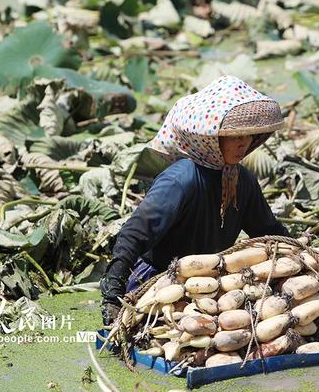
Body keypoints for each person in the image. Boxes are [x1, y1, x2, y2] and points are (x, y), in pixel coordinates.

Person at [100, 76, 290, 325]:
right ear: (211, 137)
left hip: (212, 286)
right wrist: (113, 292)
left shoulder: (242, 180)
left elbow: (268, 231)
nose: (243, 143)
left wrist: (300, 252)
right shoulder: (182, 179)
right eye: (234, 135)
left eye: (248, 135)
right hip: (161, 283)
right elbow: (135, 234)